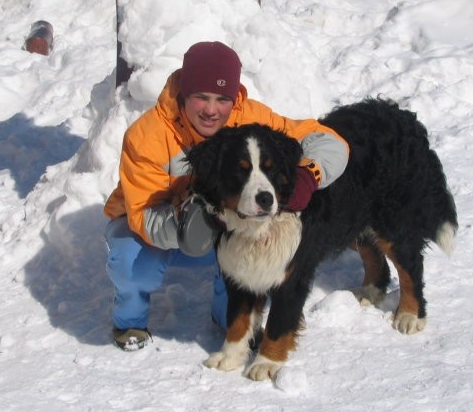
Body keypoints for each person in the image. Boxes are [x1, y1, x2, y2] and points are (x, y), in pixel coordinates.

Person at [103, 41, 349, 351]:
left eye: (222, 99)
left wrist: (308, 175)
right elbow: (142, 217)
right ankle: (130, 321)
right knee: (132, 263)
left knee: (245, 240)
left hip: (221, 230)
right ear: (184, 93)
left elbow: (329, 141)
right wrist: (197, 221)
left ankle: (227, 316)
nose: (211, 110)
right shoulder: (147, 136)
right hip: (155, 229)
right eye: (201, 97)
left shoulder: (250, 118)